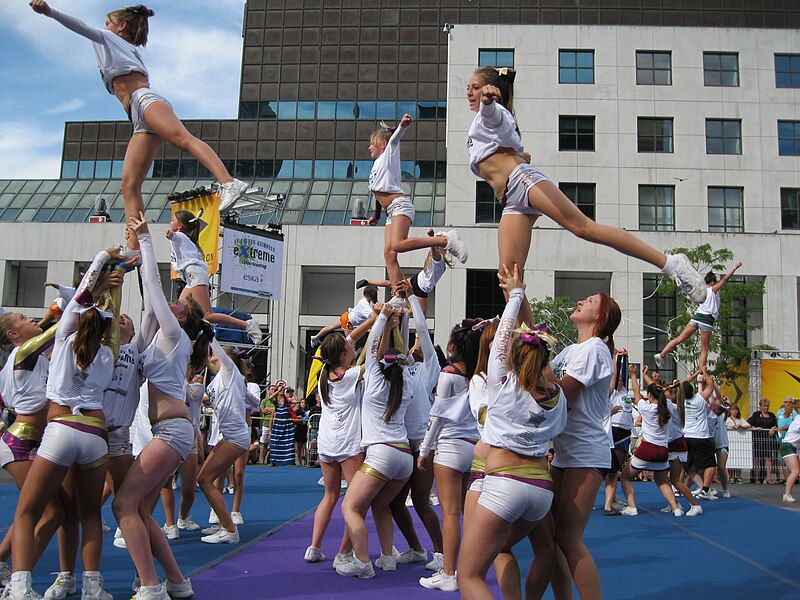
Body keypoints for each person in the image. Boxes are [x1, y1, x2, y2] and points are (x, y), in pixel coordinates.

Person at [465, 65, 707, 328]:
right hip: (511, 199)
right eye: (468, 88)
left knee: (583, 228)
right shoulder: (484, 122)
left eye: (476, 87)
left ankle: (672, 264)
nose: (470, 93)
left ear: (494, 91)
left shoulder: (493, 113)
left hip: (523, 181)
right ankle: (532, 345)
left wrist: (489, 102)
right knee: (508, 277)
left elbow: (494, 118)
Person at [30, 1, 251, 249]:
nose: (102, 28)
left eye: (107, 23)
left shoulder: (111, 40)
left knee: (183, 139)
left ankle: (229, 182)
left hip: (145, 101)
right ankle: (135, 246)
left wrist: (49, 12)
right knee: (129, 185)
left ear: (121, 26)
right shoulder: (118, 47)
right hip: (138, 118)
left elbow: (81, 27)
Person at [6, 248, 124, 600]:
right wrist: (114, 283)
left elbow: (85, 293)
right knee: (88, 514)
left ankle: (20, 588)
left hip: (60, 429)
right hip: (95, 434)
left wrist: (104, 257)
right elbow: (110, 316)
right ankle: (91, 586)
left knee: (27, 514)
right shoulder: (108, 352)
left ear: (76, 319)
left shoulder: (63, 340)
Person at [457, 264, 567, 600]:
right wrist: (518, 296)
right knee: (503, 550)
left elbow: (501, 338)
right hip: (541, 491)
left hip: (504, 483)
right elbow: (529, 349)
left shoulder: (501, 387)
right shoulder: (557, 394)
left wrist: (515, 295)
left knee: (469, 576)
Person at [114, 212, 207, 600]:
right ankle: (177, 583)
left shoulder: (173, 335)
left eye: (178, 300)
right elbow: (148, 297)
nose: (174, 298)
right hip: (171, 432)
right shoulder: (164, 338)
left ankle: (150, 586)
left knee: (123, 505)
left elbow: (153, 285)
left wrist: (148, 239)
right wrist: (133, 252)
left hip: (171, 432)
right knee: (139, 511)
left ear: (181, 316)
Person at [547, 291, 621, 599]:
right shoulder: (569, 351)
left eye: (589, 301)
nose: (580, 301)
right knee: (550, 538)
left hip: (586, 453)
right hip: (563, 452)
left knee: (569, 538)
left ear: (601, 318)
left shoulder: (595, 349)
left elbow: (561, 393)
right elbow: (546, 376)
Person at [336, 305, 413, 579]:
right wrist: (398, 324)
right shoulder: (407, 379)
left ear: (380, 362)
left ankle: (363, 562)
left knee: (350, 507)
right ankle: (388, 558)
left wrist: (382, 318)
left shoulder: (376, 376)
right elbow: (401, 356)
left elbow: (370, 349)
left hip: (382, 453)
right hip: (405, 457)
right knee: (380, 506)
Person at [417, 318, 483, 592]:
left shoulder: (449, 372)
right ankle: (467, 570)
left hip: (450, 446)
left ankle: (449, 573)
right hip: (475, 446)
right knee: (469, 514)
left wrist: (424, 450)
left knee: (451, 514)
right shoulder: (481, 373)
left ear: (453, 345)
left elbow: (438, 414)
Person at [304, 313, 375, 564]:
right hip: (348, 443)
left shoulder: (324, 370)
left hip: (326, 441)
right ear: (343, 355)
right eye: (349, 347)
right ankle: (344, 551)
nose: (352, 345)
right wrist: (380, 324)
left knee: (330, 495)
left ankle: (314, 546)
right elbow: (374, 356)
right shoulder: (352, 375)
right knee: (354, 503)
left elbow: (348, 339)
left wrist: (373, 319)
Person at [0, 312, 62, 593]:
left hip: (35, 441)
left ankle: (7, 568)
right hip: (20, 443)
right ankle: (17, 581)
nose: (33, 320)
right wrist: (93, 294)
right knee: (45, 511)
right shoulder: (23, 352)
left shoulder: (32, 358)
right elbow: (63, 327)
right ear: (13, 335)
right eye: (24, 318)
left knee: (45, 510)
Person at [367, 115, 467, 287]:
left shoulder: (388, 154)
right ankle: (400, 293)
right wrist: (376, 215)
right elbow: (379, 192)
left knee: (398, 244)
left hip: (400, 206)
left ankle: (445, 240)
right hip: (390, 211)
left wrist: (402, 127)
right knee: (389, 253)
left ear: (382, 145)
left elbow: (395, 140)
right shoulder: (376, 167)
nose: (369, 148)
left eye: (372, 144)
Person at [387, 284, 445, 573]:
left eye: (421, 343)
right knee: (395, 502)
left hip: (422, 443)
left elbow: (420, 330)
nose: (416, 344)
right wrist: (399, 310)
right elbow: (405, 334)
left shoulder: (429, 369)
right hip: (401, 442)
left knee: (421, 502)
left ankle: (442, 553)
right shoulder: (403, 367)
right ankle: (416, 548)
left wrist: (412, 297)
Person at [167, 210, 261, 343]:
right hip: (191, 276)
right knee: (180, 311)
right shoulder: (185, 239)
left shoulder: (179, 236)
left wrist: (169, 235)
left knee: (207, 315)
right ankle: (188, 337)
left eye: (172, 220)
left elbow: (174, 236)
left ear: (180, 226)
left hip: (195, 275)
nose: (170, 222)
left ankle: (247, 324)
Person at [197, 340, 251, 544]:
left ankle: (229, 529)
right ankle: (223, 524)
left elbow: (217, 350)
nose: (212, 354)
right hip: (228, 435)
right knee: (203, 477)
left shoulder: (230, 372)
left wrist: (208, 333)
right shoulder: (219, 378)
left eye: (214, 353)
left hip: (236, 436)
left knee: (204, 480)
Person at [619, 368, 683, 517]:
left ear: (649, 395)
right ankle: (676, 508)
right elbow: (656, 393)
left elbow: (636, 391)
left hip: (647, 448)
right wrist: (653, 381)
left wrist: (634, 375)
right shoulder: (668, 407)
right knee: (662, 481)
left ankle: (632, 507)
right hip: (663, 450)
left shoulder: (645, 408)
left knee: (625, 476)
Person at [654, 262, 743, 370]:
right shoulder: (712, 290)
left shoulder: (701, 291)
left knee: (679, 338)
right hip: (706, 320)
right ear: (713, 282)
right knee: (704, 349)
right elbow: (724, 280)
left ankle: (662, 354)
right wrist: (734, 267)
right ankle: (701, 373)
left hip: (696, 317)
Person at [356, 229, 450, 315]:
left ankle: (368, 283)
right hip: (421, 286)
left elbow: (434, 250)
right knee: (420, 313)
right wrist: (432, 239)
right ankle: (415, 329)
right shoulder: (439, 259)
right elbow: (434, 251)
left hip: (417, 280)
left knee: (394, 284)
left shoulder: (438, 261)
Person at [681, 369, 720, 500]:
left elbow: (683, 385)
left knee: (689, 467)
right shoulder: (700, 398)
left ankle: (702, 487)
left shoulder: (680, 401)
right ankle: (705, 489)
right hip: (701, 436)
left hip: (686, 436)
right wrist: (703, 371)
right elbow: (711, 386)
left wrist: (695, 376)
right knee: (710, 464)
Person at [311, 285, 378, 349]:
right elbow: (374, 316)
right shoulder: (365, 305)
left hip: (346, 316)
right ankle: (348, 356)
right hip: (348, 322)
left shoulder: (363, 300)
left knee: (330, 327)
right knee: (350, 343)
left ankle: (316, 337)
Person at [747, 399, 778, 484]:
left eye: (767, 406)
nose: (766, 407)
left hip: (768, 439)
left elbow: (775, 425)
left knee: (768, 458)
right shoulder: (756, 415)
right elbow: (749, 423)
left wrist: (773, 428)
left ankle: (768, 477)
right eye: (764, 406)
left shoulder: (771, 415)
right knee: (757, 458)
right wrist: (755, 428)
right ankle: (756, 477)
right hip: (758, 439)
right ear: (760, 406)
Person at [725, 404, 750, 484]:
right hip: (730, 440)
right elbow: (725, 426)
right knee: (731, 458)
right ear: (730, 411)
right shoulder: (727, 419)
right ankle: (731, 476)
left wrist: (741, 426)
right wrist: (732, 426)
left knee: (739, 458)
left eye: (736, 410)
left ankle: (738, 476)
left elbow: (748, 425)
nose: (735, 411)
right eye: (733, 409)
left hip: (739, 441)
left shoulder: (740, 419)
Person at [781, 413, 800, 503]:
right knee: (795, 471)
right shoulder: (798, 419)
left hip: (793, 447)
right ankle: (787, 494)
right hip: (787, 446)